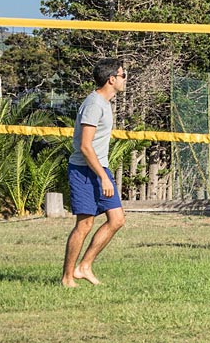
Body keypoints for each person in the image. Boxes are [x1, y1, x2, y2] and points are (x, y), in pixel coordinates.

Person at [61, 58, 127, 287]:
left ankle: (84, 266)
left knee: (117, 219)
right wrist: (102, 176)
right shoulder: (94, 104)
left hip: (99, 168)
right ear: (112, 79)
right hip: (84, 170)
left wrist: (103, 173)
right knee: (85, 224)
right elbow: (85, 146)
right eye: (122, 75)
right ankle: (67, 277)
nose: (124, 78)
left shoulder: (105, 103)